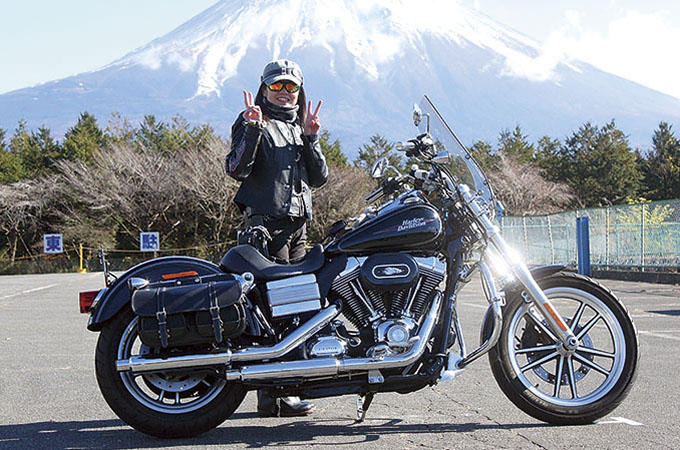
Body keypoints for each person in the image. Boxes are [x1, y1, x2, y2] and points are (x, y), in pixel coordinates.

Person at [225, 59, 329, 416]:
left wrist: (312, 138)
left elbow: (319, 179)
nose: (284, 92)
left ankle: (289, 386)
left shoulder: (301, 127)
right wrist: (253, 129)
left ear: (300, 91)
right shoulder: (253, 121)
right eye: (276, 85)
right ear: (264, 89)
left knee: (300, 308)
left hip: (298, 227)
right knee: (274, 310)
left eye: (291, 87)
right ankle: (272, 395)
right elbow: (236, 169)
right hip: (266, 226)